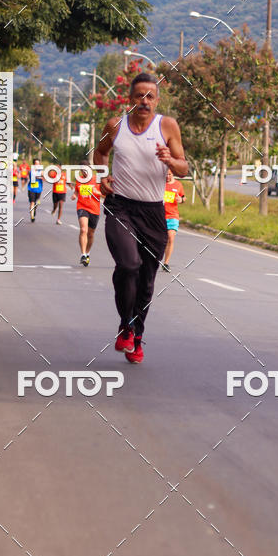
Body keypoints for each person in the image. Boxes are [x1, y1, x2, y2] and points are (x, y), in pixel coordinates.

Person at [94, 72, 188, 365]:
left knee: (146, 280)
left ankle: (135, 335)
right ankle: (126, 324)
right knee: (128, 265)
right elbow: (99, 153)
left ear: (157, 100)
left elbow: (183, 168)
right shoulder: (115, 126)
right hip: (120, 206)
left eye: (150, 96)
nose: (145, 101)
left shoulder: (168, 126)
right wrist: (102, 177)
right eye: (139, 96)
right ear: (130, 98)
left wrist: (170, 160)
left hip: (153, 212)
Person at [71, 165, 102, 265]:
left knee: (91, 234)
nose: (84, 172)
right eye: (82, 170)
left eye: (86, 170)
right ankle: (83, 254)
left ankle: (87, 253)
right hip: (82, 207)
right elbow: (77, 190)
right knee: (83, 229)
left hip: (94, 209)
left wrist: (98, 192)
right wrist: (75, 195)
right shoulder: (79, 180)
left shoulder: (97, 180)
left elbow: (106, 194)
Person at [162, 168, 185, 272]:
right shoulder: (159, 183)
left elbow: (183, 197)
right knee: (159, 240)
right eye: (166, 175)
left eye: (170, 175)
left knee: (171, 238)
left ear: (173, 174)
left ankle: (166, 263)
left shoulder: (178, 185)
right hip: (159, 216)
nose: (168, 177)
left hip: (172, 215)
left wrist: (181, 200)